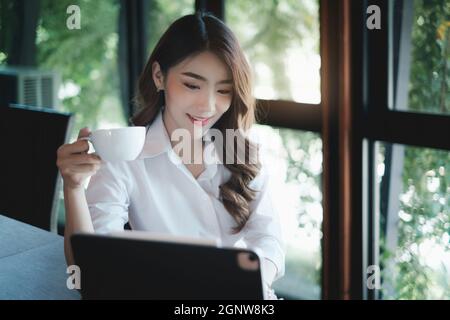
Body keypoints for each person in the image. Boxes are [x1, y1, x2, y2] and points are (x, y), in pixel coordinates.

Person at [56, 12, 284, 299]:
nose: (208, 105)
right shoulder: (126, 155)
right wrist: (74, 187)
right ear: (159, 76)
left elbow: (269, 239)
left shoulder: (239, 152)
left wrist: (243, 281)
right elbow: (88, 272)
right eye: (192, 85)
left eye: (224, 90)